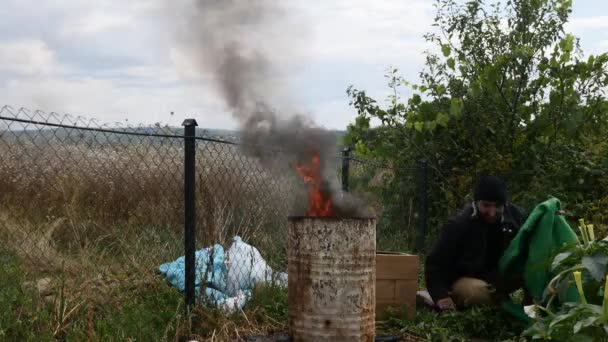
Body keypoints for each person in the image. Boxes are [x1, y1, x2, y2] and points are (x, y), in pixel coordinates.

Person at [424, 175, 527, 311]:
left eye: (497, 206)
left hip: (499, 277)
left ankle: (530, 308)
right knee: (476, 294)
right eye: (486, 205)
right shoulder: (458, 225)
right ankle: (502, 305)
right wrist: (441, 296)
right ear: (476, 203)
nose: (491, 212)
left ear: (505, 204)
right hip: (466, 279)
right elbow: (435, 264)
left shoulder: (517, 217)